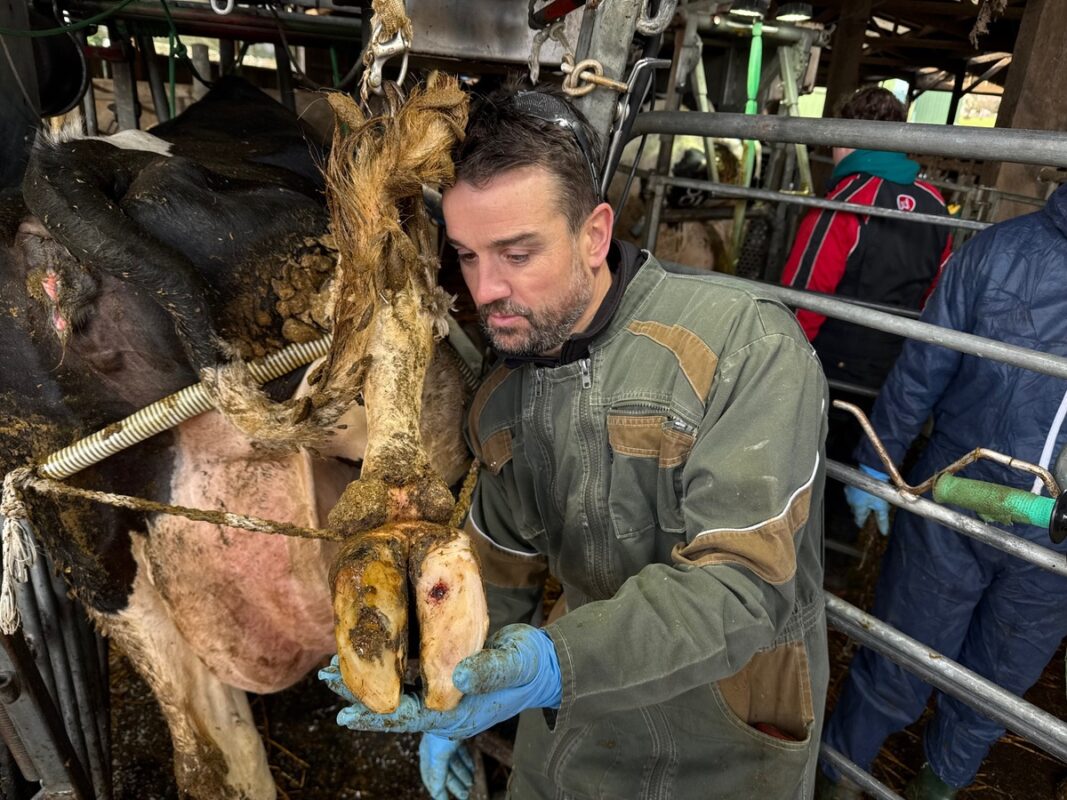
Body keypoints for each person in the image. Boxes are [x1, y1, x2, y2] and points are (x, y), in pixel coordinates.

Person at [319, 85, 830, 799]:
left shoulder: (741, 348)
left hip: (724, 739)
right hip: (576, 740)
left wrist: (551, 664)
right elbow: (499, 570)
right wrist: (448, 691)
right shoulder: (503, 398)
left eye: (517, 253)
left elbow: (742, 587)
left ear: (593, 234)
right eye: (466, 256)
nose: (485, 288)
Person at [817, 182, 1067, 800]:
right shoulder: (1001, 250)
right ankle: (837, 778)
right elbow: (927, 360)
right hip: (962, 490)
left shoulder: (998, 247)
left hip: (1056, 538)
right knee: (903, 650)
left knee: (998, 680)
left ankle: (938, 785)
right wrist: (882, 459)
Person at [780, 85, 953, 549]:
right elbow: (938, 298)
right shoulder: (937, 205)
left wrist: (781, 368)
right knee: (856, 478)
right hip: (893, 383)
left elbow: (805, 298)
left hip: (828, 373)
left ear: (844, 140)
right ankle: (839, 566)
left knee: (807, 471)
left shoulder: (846, 200)